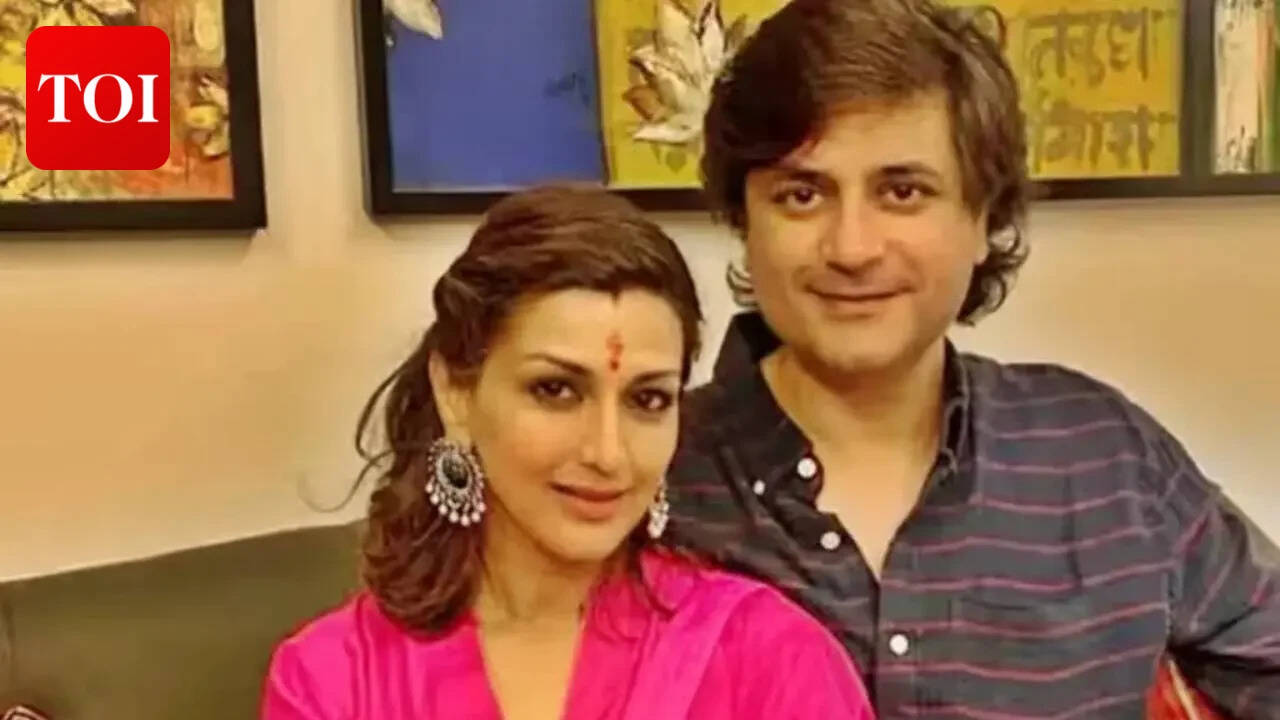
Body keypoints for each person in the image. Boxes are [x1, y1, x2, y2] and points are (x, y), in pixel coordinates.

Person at [666, 0, 1280, 718]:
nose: (852, 247)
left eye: (903, 192)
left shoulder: (1105, 459)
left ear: (984, 216)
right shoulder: (645, 478)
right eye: (802, 195)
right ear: (745, 221)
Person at [261, 186, 874, 720]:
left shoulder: (768, 657)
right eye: (555, 390)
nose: (608, 453)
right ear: (456, 392)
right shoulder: (337, 680)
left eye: (647, 400)